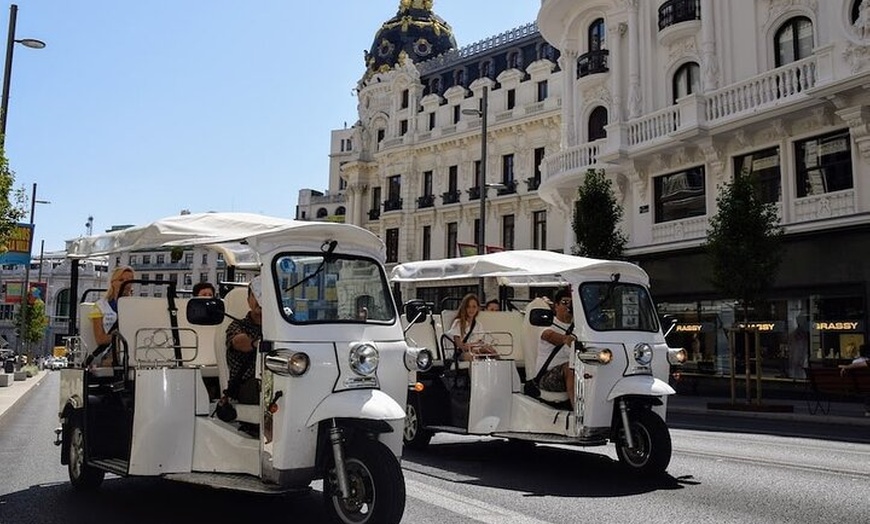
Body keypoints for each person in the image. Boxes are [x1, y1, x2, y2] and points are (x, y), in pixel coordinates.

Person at [535, 288, 577, 407]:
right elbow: (548, 335)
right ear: (556, 306)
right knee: (570, 367)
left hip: (575, 372)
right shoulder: (548, 324)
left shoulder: (580, 329)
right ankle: (579, 414)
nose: (568, 306)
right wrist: (565, 339)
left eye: (571, 303)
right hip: (547, 376)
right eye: (564, 302)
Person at [225, 276, 263, 404]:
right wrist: (258, 343)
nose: (260, 300)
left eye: (265, 295)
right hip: (247, 385)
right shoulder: (237, 326)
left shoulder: (284, 326)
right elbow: (238, 341)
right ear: (248, 300)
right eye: (256, 295)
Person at [88, 265, 135, 366]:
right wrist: (125, 337)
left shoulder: (137, 306)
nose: (126, 284)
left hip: (134, 350)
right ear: (113, 283)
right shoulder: (100, 306)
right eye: (121, 280)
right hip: (111, 352)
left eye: (130, 280)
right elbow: (100, 339)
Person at [446, 293, 498, 361]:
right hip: (461, 353)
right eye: (468, 307)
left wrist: (483, 348)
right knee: (471, 356)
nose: (471, 309)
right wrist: (473, 347)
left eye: (474, 307)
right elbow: (459, 345)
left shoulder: (478, 325)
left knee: (493, 353)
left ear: (477, 308)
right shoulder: (458, 323)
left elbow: (481, 342)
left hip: (475, 350)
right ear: (465, 308)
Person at [839, 343, 870, 416]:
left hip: (859, 385)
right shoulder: (867, 361)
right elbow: (865, 364)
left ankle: (868, 409)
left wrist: (846, 367)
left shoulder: (855, 362)